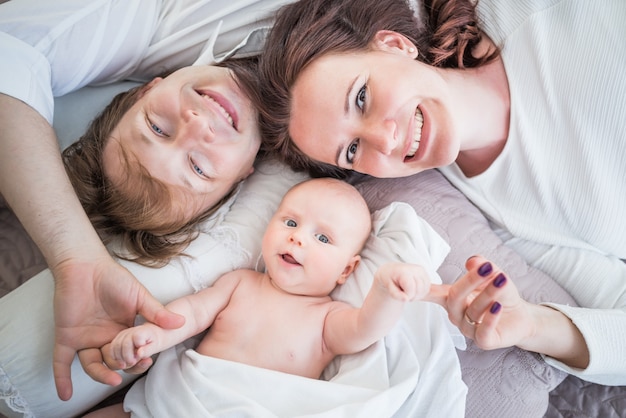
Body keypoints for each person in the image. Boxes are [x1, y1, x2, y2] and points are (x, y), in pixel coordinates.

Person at [258, 0, 626, 385]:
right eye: (352, 151)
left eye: (361, 98)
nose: (384, 140)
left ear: (394, 45)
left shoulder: (539, 13)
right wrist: (532, 325)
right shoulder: (494, 217)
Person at [0, 0, 297, 405]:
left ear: (149, 87)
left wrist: (74, 256)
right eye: (198, 167)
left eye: (157, 127)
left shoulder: (161, 20)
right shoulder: (318, 139)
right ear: (243, 176)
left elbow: (8, 52)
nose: (196, 125)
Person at [85, 177, 431, 417]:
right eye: (291, 222)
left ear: (345, 271)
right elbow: (191, 313)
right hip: (177, 402)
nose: (298, 239)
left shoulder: (327, 318)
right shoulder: (240, 283)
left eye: (322, 239)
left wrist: (386, 290)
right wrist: (153, 336)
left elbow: (365, 329)